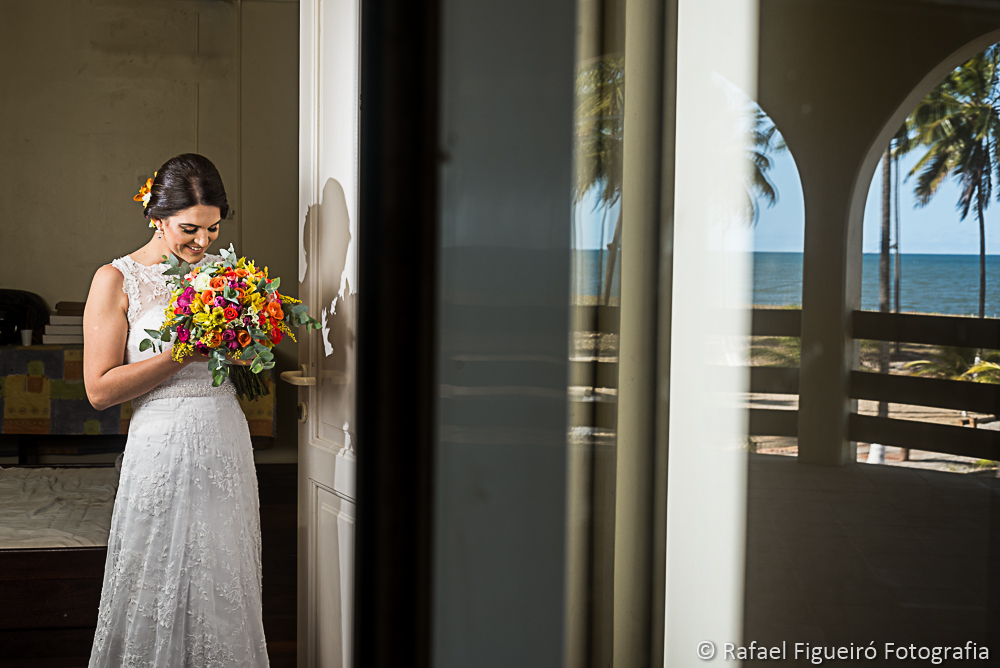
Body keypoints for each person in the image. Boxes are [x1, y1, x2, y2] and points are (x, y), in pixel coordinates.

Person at [83, 154, 269, 667]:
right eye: (190, 229)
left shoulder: (226, 278)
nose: (203, 242)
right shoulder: (116, 279)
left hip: (224, 436)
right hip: (159, 443)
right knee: (154, 571)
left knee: (223, 573)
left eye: (213, 228)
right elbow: (98, 390)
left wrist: (249, 344)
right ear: (157, 217)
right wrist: (182, 353)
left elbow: (245, 360)